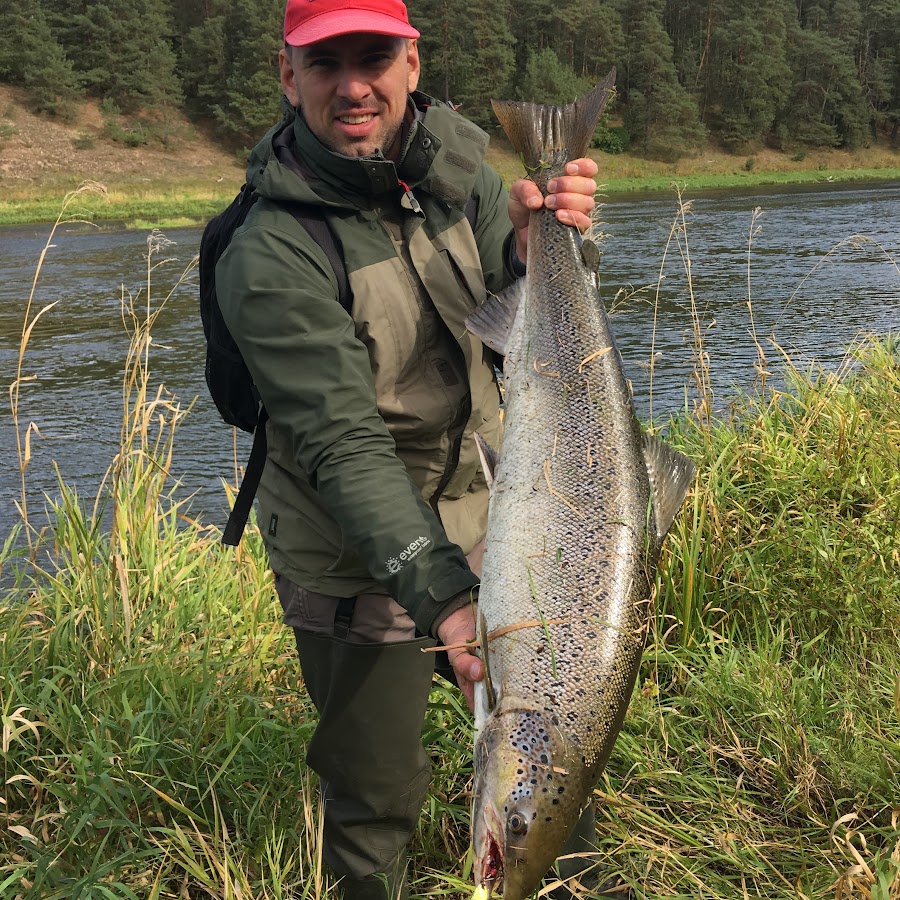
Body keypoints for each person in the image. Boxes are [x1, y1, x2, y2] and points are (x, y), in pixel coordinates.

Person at [215, 0, 600, 896]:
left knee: (555, 752)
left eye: (374, 57)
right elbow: (343, 448)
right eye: (326, 63)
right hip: (352, 554)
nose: (354, 85)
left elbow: (516, 317)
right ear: (288, 77)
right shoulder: (268, 252)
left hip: (501, 519)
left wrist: (539, 251)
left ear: (412, 66)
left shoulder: (464, 178)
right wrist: (446, 604)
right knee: (376, 795)